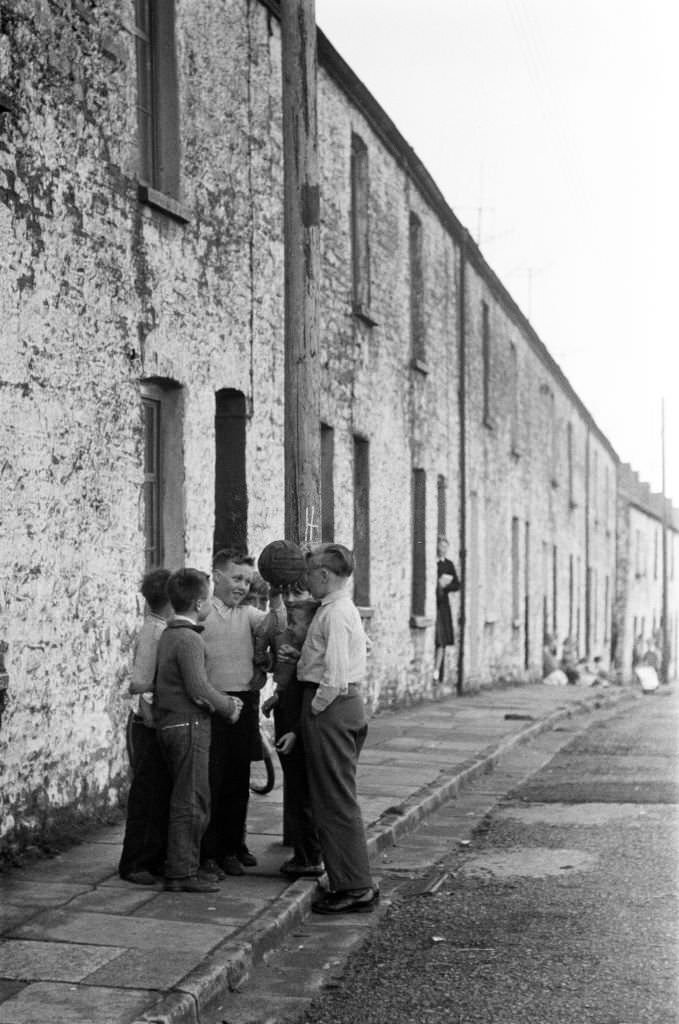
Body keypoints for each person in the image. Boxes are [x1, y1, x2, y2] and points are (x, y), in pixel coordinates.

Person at [297, 543, 379, 915]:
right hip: (342, 707)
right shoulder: (342, 609)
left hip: (331, 707)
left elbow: (334, 677)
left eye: (310, 573)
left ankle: (354, 886)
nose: (307, 580)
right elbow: (361, 650)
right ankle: (348, 878)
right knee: (334, 798)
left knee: (334, 801)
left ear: (324, 575)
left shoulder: (334, 613)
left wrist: (313, 711)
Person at [154, 568, 243, 893]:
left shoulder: (169, 633)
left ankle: (184, 865)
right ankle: (182, 872)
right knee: (192, 800)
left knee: (186, 797)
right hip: (189, 724)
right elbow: (198, 688)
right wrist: (229, 706)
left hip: (171, 722)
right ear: (198, 603)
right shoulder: (189, 639)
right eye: (207, 598)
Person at [200, 548, 286, 878]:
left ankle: (233, 846)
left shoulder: (248, 614)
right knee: (212, 781)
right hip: (212, 704)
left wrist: (275, 596)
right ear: (217, 577)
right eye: (236, 578)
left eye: (247, 582)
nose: (242, 587)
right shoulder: (203, 613)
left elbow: (277, 625)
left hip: (245, 702)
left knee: (237, 780)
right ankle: (208, 852)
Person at [261, 583, 323, 878]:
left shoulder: (311, 655)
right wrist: (278, 696)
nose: (290, 628)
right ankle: (304, 852)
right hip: (288, 721)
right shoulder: (301, 652)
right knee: (297, 790)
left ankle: (308, 857)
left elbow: (310, 700)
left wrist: (295, 731)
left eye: (295, 624)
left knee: (302, 792)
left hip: (296, 729)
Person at [118, 569, 173, 885]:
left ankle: (151, 858)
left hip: (150, 721)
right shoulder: (155, 632)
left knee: (157, 793)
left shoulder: (157, 627)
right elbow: (141, 682)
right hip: (147, 722)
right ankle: (135, 862)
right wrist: (152, 711)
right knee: (147, 795)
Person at [434, 536, 460, 687]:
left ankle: (437, 671)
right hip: (434, 603)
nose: (442, 549)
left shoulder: (448, 564)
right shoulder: (433, 563)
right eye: (441, 546)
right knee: (437, 637)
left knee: (442, 638)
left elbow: (457, 584)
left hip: (443, 604)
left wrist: (445, 585)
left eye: (445, 547)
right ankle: (435, 670)